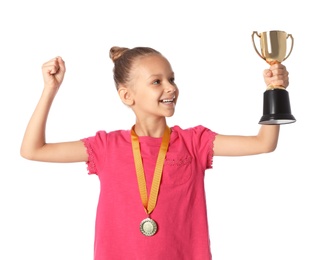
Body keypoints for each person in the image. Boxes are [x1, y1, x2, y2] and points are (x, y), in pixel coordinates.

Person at [20, 46, 290, 260]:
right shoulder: (105, 148)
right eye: (157, 82)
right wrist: (50, 89)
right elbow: (33, 150)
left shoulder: (194, 142)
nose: (170, 87)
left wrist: (275, 90)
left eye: (171, 79)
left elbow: (263, 143)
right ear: (127, 96)